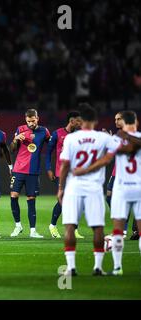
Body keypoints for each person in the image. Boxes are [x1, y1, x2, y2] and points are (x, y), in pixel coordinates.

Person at [57, 104, 131, 276]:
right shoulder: (103, 138)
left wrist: (61, 188)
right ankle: (97, 267)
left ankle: (71, 267)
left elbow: (65, 164)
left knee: (70, 227)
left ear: (81, 121)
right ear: (96, 121)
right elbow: (119, 151)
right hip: (94, 188)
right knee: (98, 228)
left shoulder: (70, 139)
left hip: (74, 187)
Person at [73, 110, 141, 276]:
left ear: (124, 122)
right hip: (138, 187)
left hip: (121, 188)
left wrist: (87, 169)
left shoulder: (117, 139)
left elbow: (106, 159)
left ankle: (117, 267)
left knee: (117, 231)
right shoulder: (134, 137)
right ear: (136, 122)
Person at [9, 109, 50, 238]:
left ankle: (33, 231)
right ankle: (18, 226)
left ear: (37, 118)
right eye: (28, 121)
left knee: (31, 199)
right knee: (14, 196)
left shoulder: (44, 131)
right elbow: (12, 149)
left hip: (33, 171)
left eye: (33, 121)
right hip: (18, 169)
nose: (31, 123)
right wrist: (15, 139)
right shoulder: (20, 129)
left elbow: (52, 145)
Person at [45, 110, 84, 239]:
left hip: (75, 173)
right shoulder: (57, 134)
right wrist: (48, 169)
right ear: (71, 121)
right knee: (66, 199)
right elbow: (48, 152)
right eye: (78, 121)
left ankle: (74, 229)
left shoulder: (79, 135)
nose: (80, 123)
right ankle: (53, 225)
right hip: (60, 172)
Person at [105, 112, 139, 240]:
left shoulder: (124, 138)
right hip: (117, 173)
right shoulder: (122, 137)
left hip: (128, 177)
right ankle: (124, 227)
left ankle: (125, 229)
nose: (116, 121)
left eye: (118, 119)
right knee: (109, 197)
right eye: (115, 119)